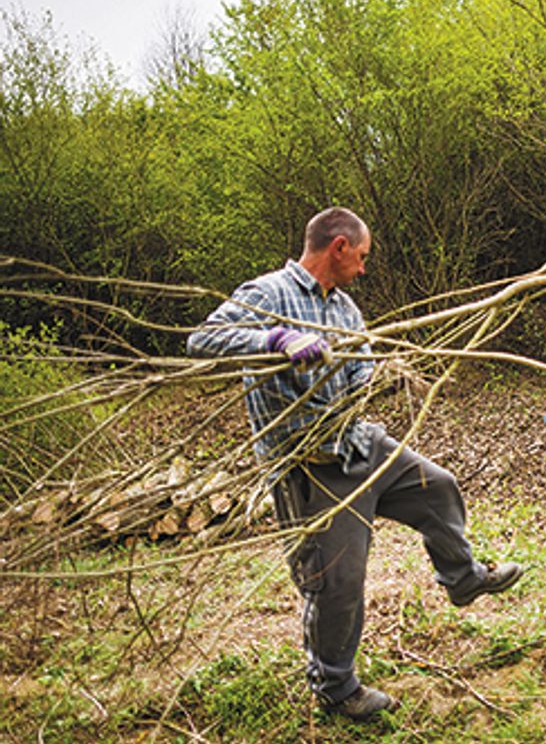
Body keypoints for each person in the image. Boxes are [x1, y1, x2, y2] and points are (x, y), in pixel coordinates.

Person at [187, 207, 522, 721]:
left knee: (438, 487)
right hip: (309, 463)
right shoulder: (267, 293)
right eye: (361, 257)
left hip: (359, 443)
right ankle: (336, 688)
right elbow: (203, 341)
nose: (363, 269)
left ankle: (462, 577)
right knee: (337, 582)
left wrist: (380, 374)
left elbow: (359, 373)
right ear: (338, 247)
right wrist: (274, 340)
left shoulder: (346, 309)